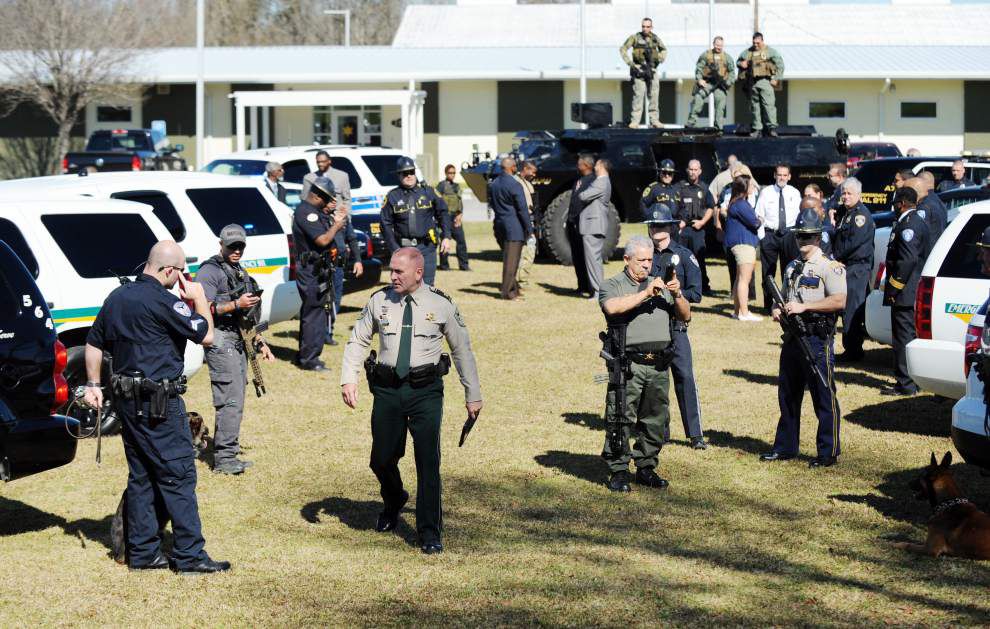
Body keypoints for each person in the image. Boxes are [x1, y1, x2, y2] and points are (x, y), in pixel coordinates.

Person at [82, 240, 230, 574]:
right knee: (178, 474)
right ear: (168, 270)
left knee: (142, 475)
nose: (181, 278)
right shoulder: (165, 302)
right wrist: (199, 298)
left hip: (126, 403)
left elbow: (93, 342)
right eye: (179, 273)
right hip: (159, 405)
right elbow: (205, 335)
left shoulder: (116, 297)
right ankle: (190, 556)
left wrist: (92, 384)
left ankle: (145, 553)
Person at [340, 248, 482, 555]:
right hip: (388, 390)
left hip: (426, 391)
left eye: (398, 272)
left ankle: (429, 531)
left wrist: (473, 394)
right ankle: (394, 500)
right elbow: (359, 339)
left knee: (428, 462)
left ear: (418, 273)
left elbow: (462, 350)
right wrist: (348, 377)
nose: (392, 277)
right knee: (380, 459)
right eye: (391, 271)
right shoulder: (379, 300)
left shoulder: (440, 303)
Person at [599, 236, 690, 492]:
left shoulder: (660, 284)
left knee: (655, 418)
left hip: (659, 364)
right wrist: (645, 294)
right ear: (627, 259)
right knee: (620, 416)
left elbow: (686, 315)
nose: (647, 266)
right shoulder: (613, 284)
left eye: (650, 260)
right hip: (629, 365)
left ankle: (646, 466)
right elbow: (612, 307)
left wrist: (677, 294)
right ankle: (618, 469)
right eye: (641, 261)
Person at [760, 208, 846, 468]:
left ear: (818, 238)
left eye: (809, 237)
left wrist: (805, 307)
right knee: (787, 394)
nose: (804, 242)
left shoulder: (831, 268)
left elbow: (839, 300)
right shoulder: (791, 267)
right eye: (800, 237)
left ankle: (827, 451)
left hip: (817, 339)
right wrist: (777, 309)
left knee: (823, 395)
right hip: (792, 338)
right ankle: (785, 447)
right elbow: (785, 297)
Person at [196, 224, 275, 475]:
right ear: (221, 244)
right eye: (232, 246)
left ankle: (229, 451)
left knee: (236, 399)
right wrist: (235, 304)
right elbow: (203, 309)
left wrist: (259, 342)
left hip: (238, 339)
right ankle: (225, 459)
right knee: (229, 400)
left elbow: (247, 316)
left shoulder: (238, 270)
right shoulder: (209, 272)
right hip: (221, 341)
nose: (237, 250)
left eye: (241, 246)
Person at [645, 204, 708, 449]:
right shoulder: (644, 255)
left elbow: (697, 293)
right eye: (652, 225)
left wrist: (678, 291)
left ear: (670, 227)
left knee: (685, 378)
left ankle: (695, 435)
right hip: (650, 326)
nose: (656, 229)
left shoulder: (682, 255)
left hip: (675, 324)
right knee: (655, 382)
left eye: (661, 225)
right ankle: (661, 430)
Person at [292, 176, 347, 372]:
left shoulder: (314, 211)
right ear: (317, 196)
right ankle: (309, 359)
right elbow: (323, 240)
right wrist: (337, 225)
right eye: (326, 198)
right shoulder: (306, 213)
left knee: (315, 312)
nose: (327, 202)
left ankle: (308, 355)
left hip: (319, 268)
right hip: (310, 270)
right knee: (313, 313)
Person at [882, 187, 931, 396]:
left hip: (905, 291)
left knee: (903, 338)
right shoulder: (916, 221)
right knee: (908, 336)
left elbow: (907, 260)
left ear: (901, 203)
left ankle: (906, 384)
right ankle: (911, 381)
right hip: (911, 289)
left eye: (895, 203)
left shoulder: (908, 225)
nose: (893, 207)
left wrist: (893, 287)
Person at [380, 157, 453, 286]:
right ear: (398, 175)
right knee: (405, 286)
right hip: (403, 249)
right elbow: (385, 223)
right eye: (405, 173)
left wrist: (446, 236)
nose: (409, 176)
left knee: (427, 286)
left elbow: (443, 213)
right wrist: (394, 249)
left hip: (426, 248)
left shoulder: (429, 192)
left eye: (411, 172)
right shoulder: (393, 196)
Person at [830, 178, 875, 364]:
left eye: (849, 193)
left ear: (859, 195)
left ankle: (854, 351)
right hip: (845, 266)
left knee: (852, 310)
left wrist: (834, 256)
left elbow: (852, 243)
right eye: (844, 193)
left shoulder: (860, 216)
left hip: (857, 268)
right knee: (845, 309)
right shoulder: (844, 212)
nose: (846, 196)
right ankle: (851, 347)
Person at [755, 163, 802, 309]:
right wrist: (762, 237)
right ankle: (768, 305)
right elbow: (758, 214)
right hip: (770, 235)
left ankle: (786, 304)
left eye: (784, 175)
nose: (782, 177)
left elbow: (799, 216)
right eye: (779, 175)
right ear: (775, 175)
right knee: (768, 272)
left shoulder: (794, 193)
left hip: (789, 235)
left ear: (789, 176)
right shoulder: (766, 192)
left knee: (788, 271)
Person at [489, 157, 534, 300]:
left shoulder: (494, 184)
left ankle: (514, 289)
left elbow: (493, 205)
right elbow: (522, 210)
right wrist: (529, 228)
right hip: (514, 228)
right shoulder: (515, 185)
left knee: (509, 259)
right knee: (512, 262)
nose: (516, 168)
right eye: (515, 166)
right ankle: (507, 293)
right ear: (512, 167)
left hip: (500, 225)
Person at [673, 159, 716, 296]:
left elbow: (711, 207)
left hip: (698, 228)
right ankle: (681, 286)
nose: (693, 172)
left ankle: (704, 287)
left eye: (695, 169)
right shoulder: (679, 187)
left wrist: (703, 222)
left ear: (700, 171)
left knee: (699, 259)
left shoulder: (704, 188)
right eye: (690, 169)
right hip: (682, 228)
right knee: (680, 258)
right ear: (687, 170)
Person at [724, 176, 762, 321]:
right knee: (744, 280)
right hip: (743, 244)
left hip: (740, 244)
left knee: (739, 279)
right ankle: (744, 313)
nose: (753, 187)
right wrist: (760, 219)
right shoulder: (741, 204)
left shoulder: (736, 203)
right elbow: (754, 222)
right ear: (744, 187)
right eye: (751, 185)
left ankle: (737, 312)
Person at [327, 206, 364, 347]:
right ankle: (323, 332)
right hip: (326, 264)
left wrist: (358, 260)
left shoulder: (344, 218)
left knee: (336, 299)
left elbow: (352, 239)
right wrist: (335, 224)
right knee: (326, 300)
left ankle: (329, 331)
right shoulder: (323, 217)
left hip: (339, 265)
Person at [619, 17, 667, 128]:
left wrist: (659, 59)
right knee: (638, 96)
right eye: (643, 26)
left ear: (651, 27)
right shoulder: (635, 37)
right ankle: (635, 121)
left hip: (652, 70)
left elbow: (664, 50)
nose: (645, 28)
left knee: (654, 95)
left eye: (648, 26)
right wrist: (631, 64)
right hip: (639, 70)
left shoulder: (655, 39)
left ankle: (654, 121)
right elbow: (623, 49)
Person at [736, 32, 784, 137]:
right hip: (752, 82)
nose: (756, 45)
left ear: (762, 40)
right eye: (754, 42)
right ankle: (757, 128)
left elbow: (780, 64)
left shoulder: (770, 51)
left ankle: (771, 128)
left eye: (758, 43)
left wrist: (776, 78)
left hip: (765, 81)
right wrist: (741, 64)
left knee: (769, 105)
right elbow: (738, 61)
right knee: (755, 106)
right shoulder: (748, 52)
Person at [578, 158, 612, 298]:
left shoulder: (601, 182)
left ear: (602, 166)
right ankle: (598, 290)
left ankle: (598, 292)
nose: (595, 166)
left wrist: (580, 189)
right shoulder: (603, 181)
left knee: (593, 261)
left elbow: (583, 195)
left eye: (597, 164)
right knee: (594, 260)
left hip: (593, 226)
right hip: (594, 225)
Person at [686, 36, 736, 130]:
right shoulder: (706, 55)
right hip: (708, 81)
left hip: (720, 84)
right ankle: (691, 122)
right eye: (717, 45)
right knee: (698, 97)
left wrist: (728, 82)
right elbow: (699, 68)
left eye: (720, 45)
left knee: (720, 104)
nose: (719, 47)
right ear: (713, 44)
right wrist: (699, 79)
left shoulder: (727, 57)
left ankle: (718, 127)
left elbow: (732, 72)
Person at [568, 154, 597, 296]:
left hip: (584, 224)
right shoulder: (579, 179)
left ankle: (592, 288)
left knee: (587, 257)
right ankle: (582, 286)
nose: (577, 166)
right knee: (577, 256)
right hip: (573, 223)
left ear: (587, 165)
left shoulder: (593, 181)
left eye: (580, 163)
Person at [436, 164, 470, 272]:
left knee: (461, 241)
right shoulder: (441, 186)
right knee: (445, 241)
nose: (452, 175)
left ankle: (464, 265)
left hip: (455, 218)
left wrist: (460, 215)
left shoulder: (457, 186)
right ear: (446, 173)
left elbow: (460, 202)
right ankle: (444, 266)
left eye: (454, 173)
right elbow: (436, 201)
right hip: (445, 218)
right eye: (450, 173)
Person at [516, 160, 538, 286]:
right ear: (525, 169)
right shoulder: (517, 182)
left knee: (527, 249)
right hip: (522, 220)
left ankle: (521, 277)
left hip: (529, 218)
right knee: (529, 247)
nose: (534, 175)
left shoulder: (527, 183)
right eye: (533, 172)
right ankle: (522, 279)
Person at [915, 172, 949, 246]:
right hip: (937, 248)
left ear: (922, 183)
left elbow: (919, 232)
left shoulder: (924, 204)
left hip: (926, 251)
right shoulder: (940, 202)